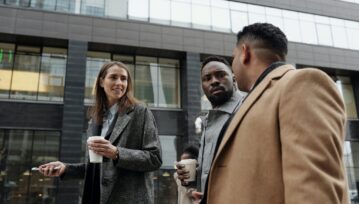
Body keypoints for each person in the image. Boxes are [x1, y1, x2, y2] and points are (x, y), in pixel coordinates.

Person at [204, 23, 348, 204]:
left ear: (245, 53)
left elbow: (312, 190)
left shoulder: (302, 83)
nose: (233, 66)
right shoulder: (256, 99)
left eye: (233, 58)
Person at [38, 61, 162, 204]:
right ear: (102, 82)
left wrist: (116, 153)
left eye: (124, 78)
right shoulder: (95, 119)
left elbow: (155, 158)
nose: (119, 82)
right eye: (113, 77)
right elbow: (97, 168)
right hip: (95, 196)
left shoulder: (140, 112)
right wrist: (65, 168)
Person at [176, 56, 245, 203]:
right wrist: (190, 180)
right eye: (207, 78)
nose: (214, 81)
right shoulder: (208, 120)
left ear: (234, 79)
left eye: (221, 75)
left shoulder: (248, 109)